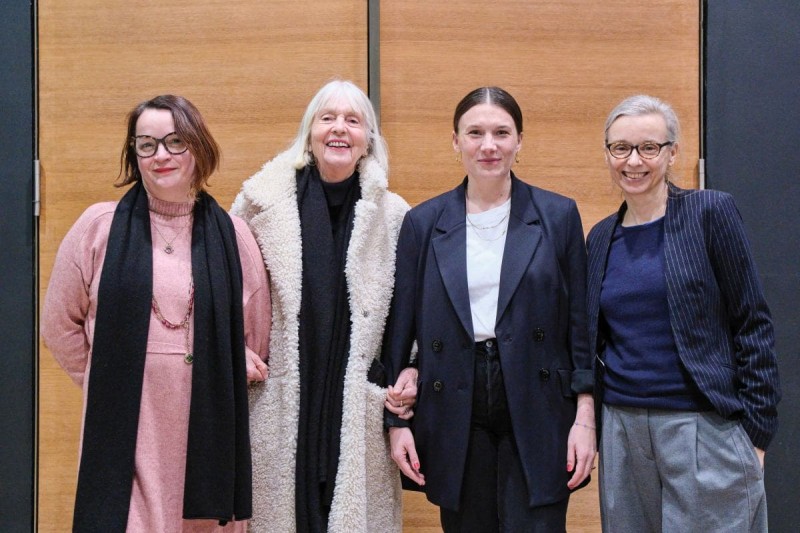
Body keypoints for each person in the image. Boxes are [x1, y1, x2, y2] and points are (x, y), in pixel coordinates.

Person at [41, 95, 271, 531]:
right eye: (146, 144)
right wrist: (106, 374)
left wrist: (226, 358)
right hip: (129, 423)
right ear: (134, 154)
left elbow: (255, 340)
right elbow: (58, 325)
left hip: (207, 425)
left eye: (174, 141)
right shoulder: (98, 226)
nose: (160, 154)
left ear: (198, 147)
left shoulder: (233, 235)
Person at [382, 86, 596, 532]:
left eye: (501, 132)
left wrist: (586, 417)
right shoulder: (423, 222)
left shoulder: (558, 215)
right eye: (474, 132)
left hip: (538, 396)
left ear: (520, 141)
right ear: (455, 141)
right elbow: (399, 329)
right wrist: (395, 423)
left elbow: (581, 327)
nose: (489, 145)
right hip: (455, 395)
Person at [587, 94, 781, 532]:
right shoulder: (601, 237)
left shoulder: (709, 213)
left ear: (672, 152)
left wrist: (756, 436)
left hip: (702, 427)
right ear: (608, 154)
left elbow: (752, 322)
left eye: (648, 147)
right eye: (621, 148)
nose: (633, 161)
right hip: (622, 429)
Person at [231, 79, 414, 533]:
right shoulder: (258, 206)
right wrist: (235, 347)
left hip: (355, 406)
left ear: (368, 140)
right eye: (327, 117)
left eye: (353, 121)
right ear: (309, 132)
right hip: (278, 397)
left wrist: (408, 372)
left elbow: (411, 313)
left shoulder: (394, 216)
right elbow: (222, 290)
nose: (339, 129)